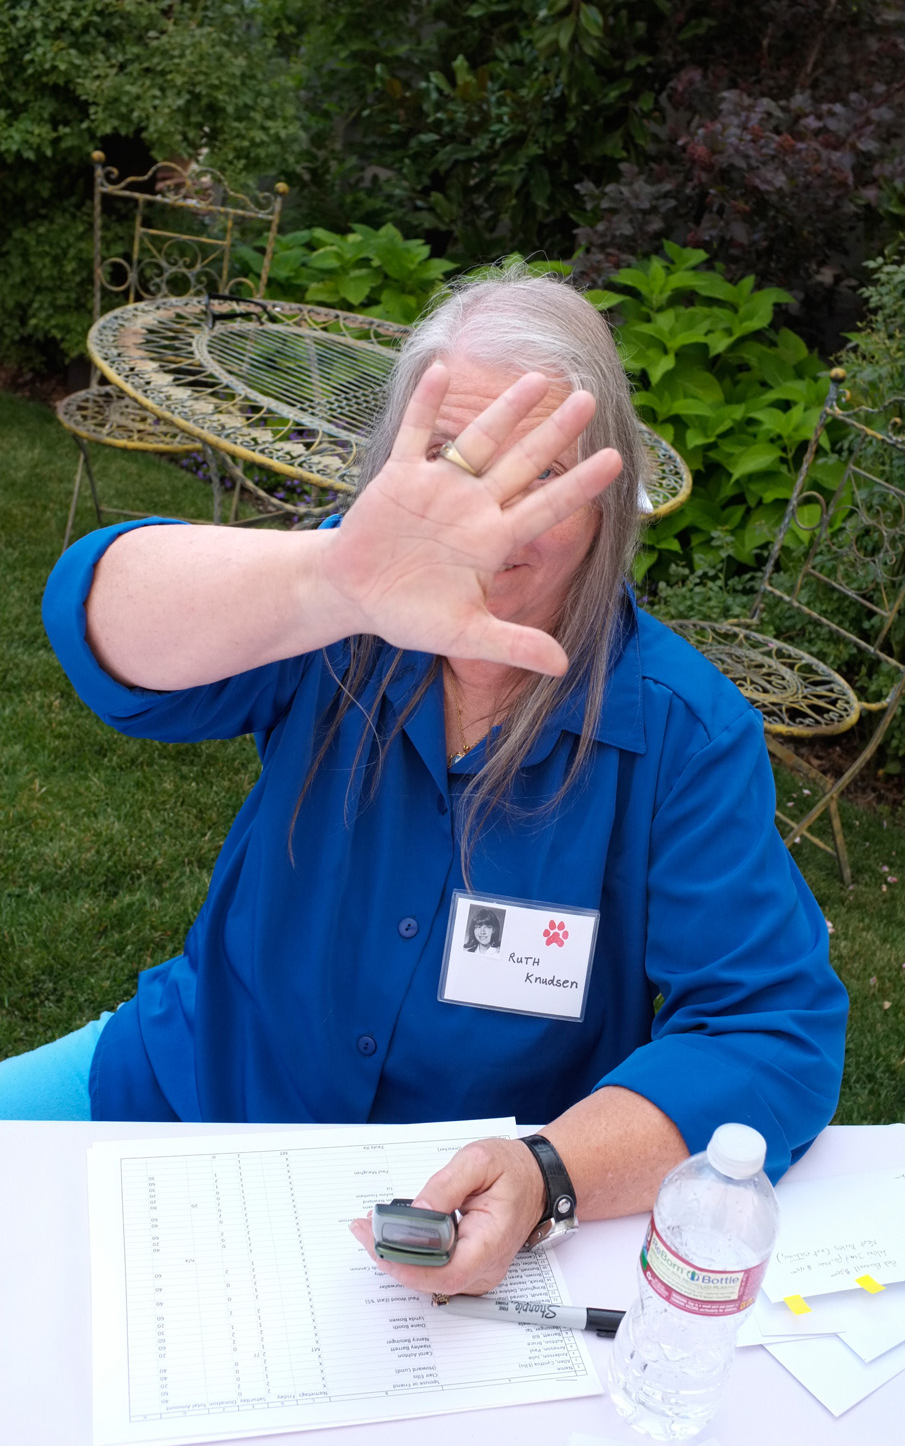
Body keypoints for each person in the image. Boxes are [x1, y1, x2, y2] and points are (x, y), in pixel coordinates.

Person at [2, 271, 847, 1300]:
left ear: (603, 499)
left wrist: (549, 1173)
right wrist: (328, 583)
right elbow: (95, 629)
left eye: (541, 472)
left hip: (445, 1209)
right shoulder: (341, 606)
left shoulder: (682, 732)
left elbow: (770, 1028)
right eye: (459, 461)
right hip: (192, 1089)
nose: (489, 520)